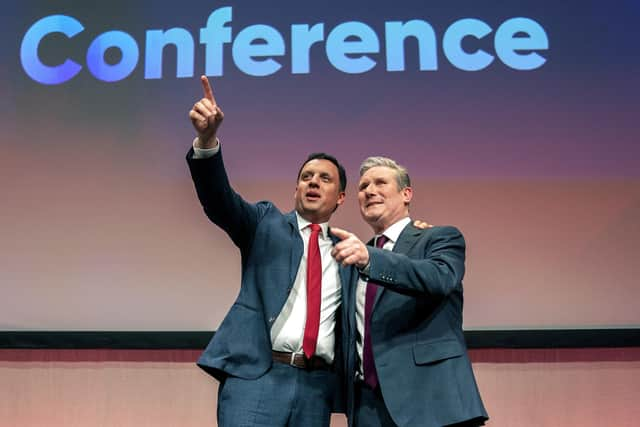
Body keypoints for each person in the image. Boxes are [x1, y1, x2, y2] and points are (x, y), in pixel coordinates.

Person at [186, 75, 357, 427]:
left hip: (317, 387)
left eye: (325, 179)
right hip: (257, 377)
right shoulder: (266, 223)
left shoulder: (349, 252)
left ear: (340, 197)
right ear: (295, 187)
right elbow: (219, 201)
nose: (313, 182)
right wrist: (207, 140)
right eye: (307, 176)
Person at [331, 157, 489, 427]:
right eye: (364, 186)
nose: (369, 190)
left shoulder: (439, 238)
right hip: (367, 408)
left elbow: (440, 278)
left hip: (431, 400)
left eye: (381, 183)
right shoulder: (353, 257)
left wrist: (371, 259)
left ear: (406, 194)